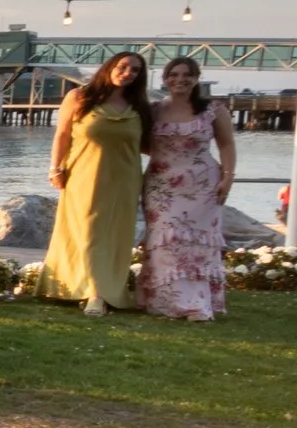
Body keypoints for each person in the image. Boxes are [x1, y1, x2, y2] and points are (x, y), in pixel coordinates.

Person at [40, 52, 151, 315]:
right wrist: (55, 168)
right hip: (83, 177)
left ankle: (105, 290)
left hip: (125, 180)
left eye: (134, 70)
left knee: (115, 237)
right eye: (122, 67)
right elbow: (62, 134)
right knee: (87, 234)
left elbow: (149, 145)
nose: (127, 73)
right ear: (109, 67)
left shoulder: (139, 107)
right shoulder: (79, 97)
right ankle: (92, 293)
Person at [139, 56, 234, 321]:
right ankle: (165, 301)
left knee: (197, 244)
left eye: (187, 74)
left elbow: (226, 145)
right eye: (174, 74)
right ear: (165, 78)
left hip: (203, 185)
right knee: (164, 241)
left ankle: (196, 304)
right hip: (161, 184)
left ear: (196, 78)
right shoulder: (154, 110)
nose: (180, 79)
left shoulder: (213, 109)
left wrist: (228, 177)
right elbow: (141, 144)